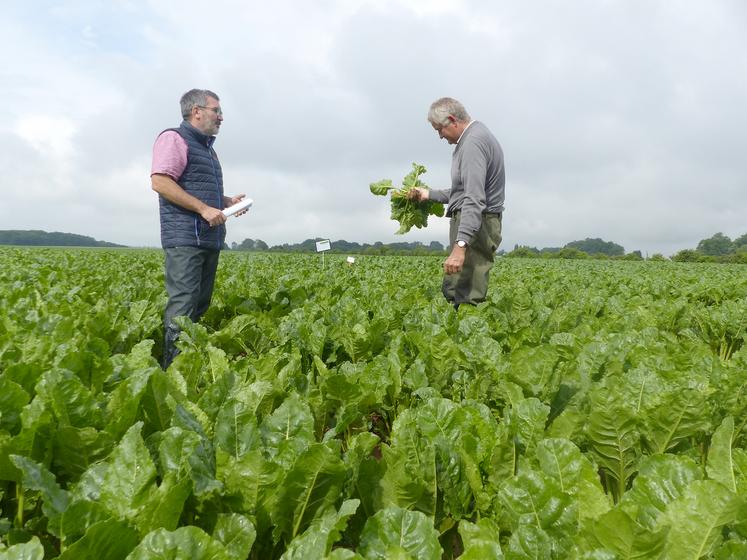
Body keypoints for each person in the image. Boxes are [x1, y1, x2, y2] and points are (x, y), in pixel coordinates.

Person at [151, 88, 246, 368]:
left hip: (207, 238)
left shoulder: (207, 148)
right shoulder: (174, 138)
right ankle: (173, 371)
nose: (221, 117)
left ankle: (188, 366)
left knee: (199, 304)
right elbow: (161, 182)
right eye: (216, 110)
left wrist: (225, 202)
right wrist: (204, 208)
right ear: (197, 112)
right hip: (186, 238)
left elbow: (193, 187)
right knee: (183, 307)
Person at [409, 97, 505, 308]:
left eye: (439, 130)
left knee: (467, 295)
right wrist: (428, 194)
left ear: (452, 120)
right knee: (454, 288)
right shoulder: (476, 136)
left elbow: (474, 198)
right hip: (474, 222)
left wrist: (461, 245)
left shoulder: (472, 143)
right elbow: (463, 192)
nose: (440, 136)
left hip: (477, 224)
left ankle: (466, 338)